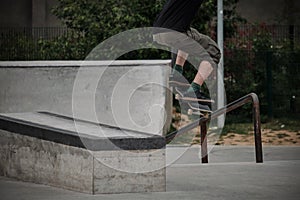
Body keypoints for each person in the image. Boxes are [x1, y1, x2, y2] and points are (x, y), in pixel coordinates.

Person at [153, 0, 221, 107]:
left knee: (188, 37)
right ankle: (194, 90)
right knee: (213, 51)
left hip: (158, 32)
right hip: (175, 32)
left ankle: (177, 74)